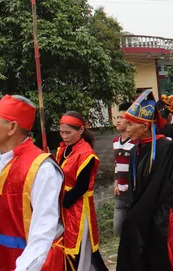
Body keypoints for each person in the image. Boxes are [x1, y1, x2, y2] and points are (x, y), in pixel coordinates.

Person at [117, 90, 173, 271]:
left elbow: (157, 185)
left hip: (165, 211)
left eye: (130, 124)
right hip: (147, 209)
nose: (126, 128)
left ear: (145, 127)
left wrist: (138, 214)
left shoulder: (164, 146)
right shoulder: (136, 149)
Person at [0, 95, 64, 270]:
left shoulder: (41, 168)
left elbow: (44, 231)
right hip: (0, 257)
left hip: (36, 262)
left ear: (12, 127)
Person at [56, 111, 108, 271]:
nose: (64, 136)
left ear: (80, 130)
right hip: (63, 205)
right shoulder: (63, 149)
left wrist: (63, 202)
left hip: (78, 206)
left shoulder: (86, 154)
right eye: (61, 132)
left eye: (68, 132)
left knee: (81, 248)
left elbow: (81, 186)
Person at [113, 101, 136, 237]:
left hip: (133, 192)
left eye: (121, 118)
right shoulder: (116, 141)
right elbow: (116, 165)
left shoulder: (135, 142)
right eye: (117, 118)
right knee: (118, 229)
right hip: (120, 194)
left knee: (132, 230)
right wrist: (116, 182)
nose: (118, 121)